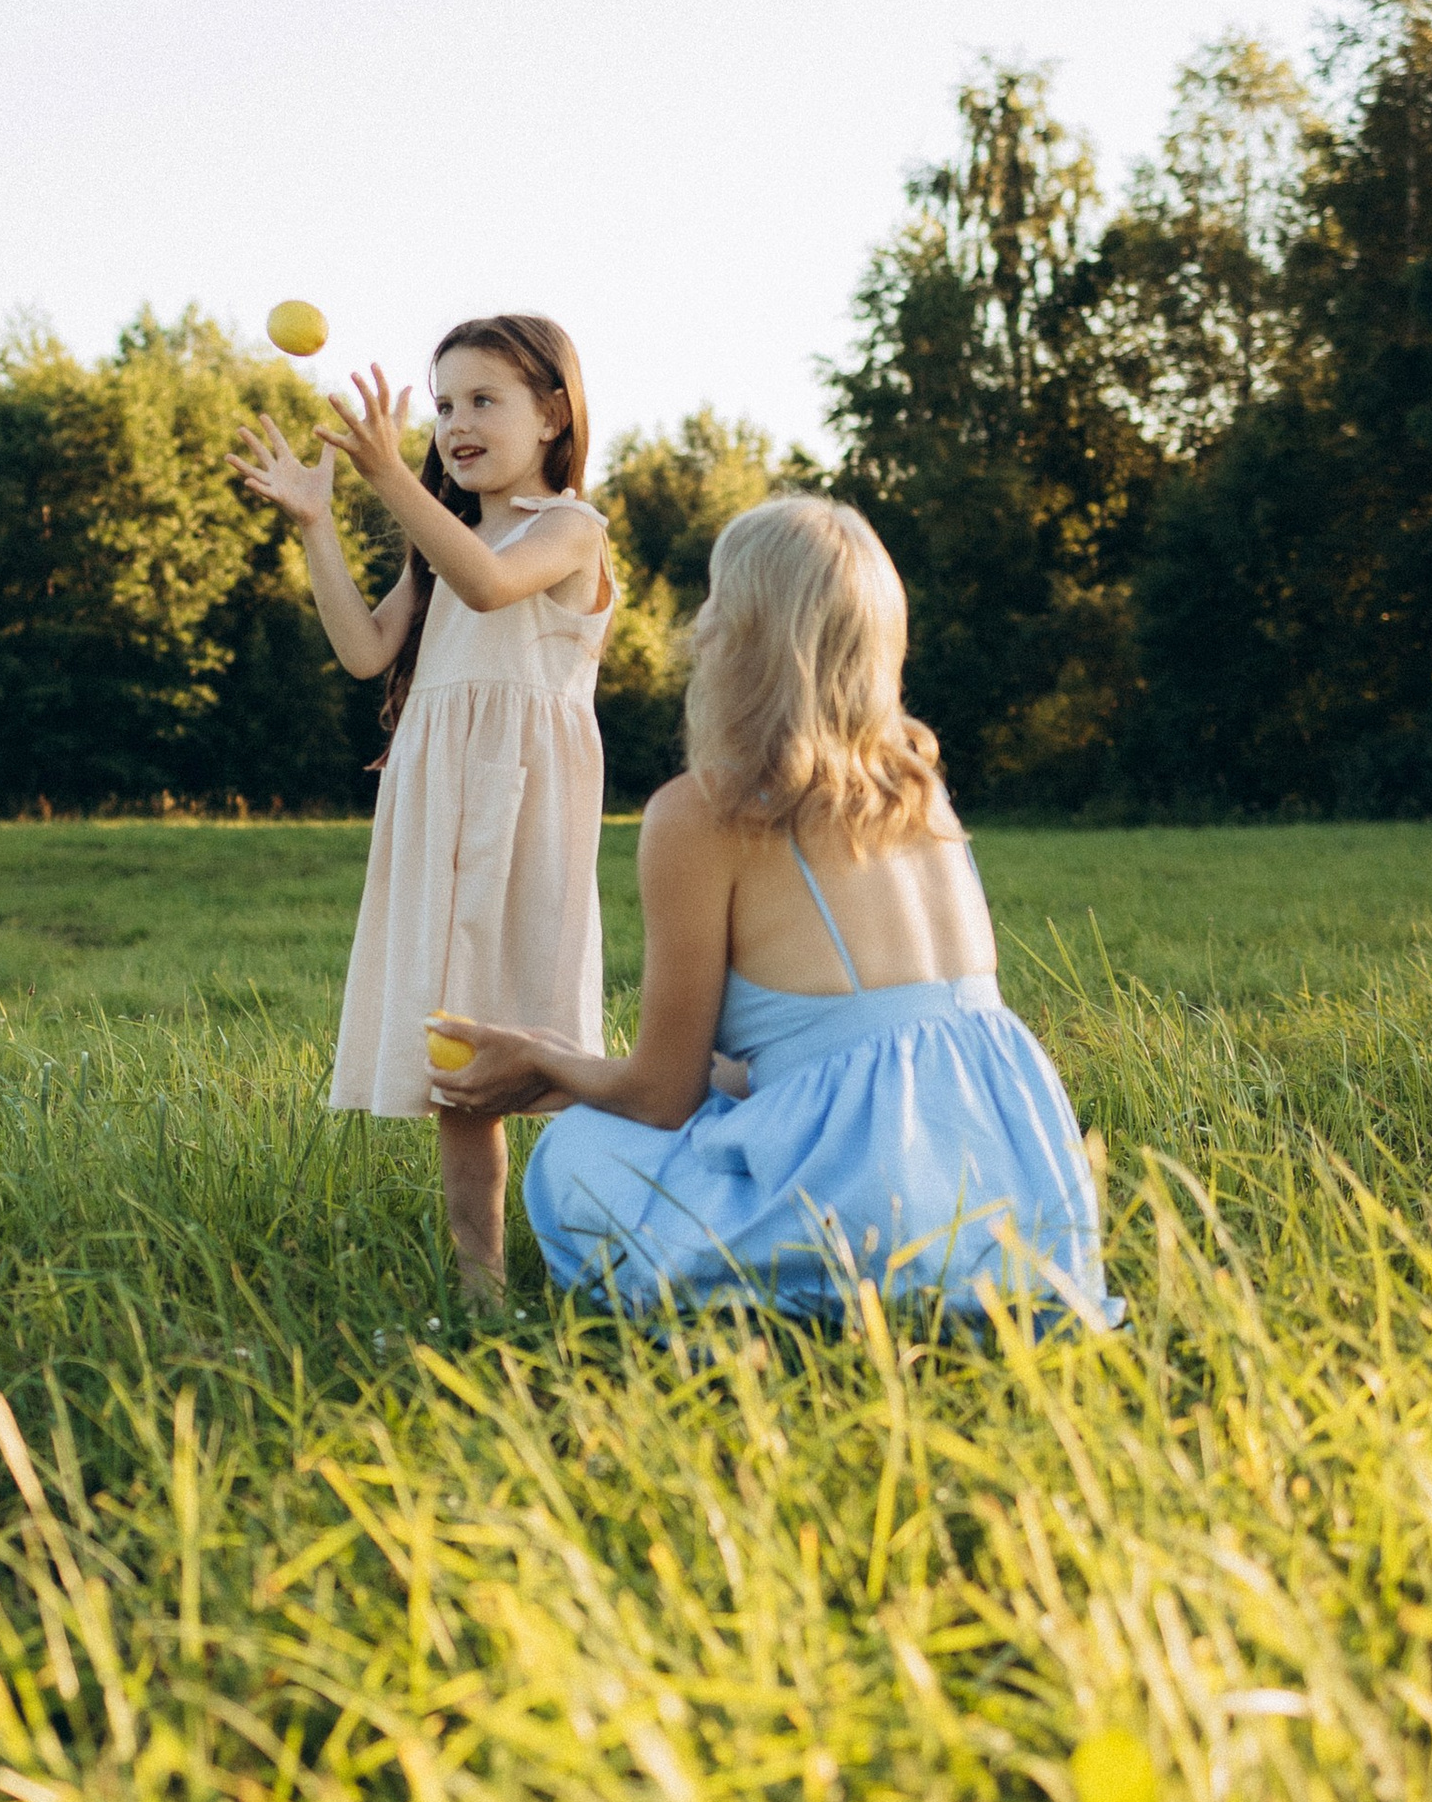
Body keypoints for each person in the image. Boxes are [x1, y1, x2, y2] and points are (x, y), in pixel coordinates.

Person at [431, 495, 1116, 1330]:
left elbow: (661, 1098)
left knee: (576, 1154)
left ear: (744, 632)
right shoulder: (919, 791)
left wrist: (544, 1059)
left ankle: (797, 1312)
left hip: (875, 1216)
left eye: (716, 597)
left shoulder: (704, 814)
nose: (700, 622)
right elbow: (828, 1048)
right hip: (1021, 1220)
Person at [233, 314, 615, 1304]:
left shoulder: (569, 528)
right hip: (440, 807)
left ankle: (619, 1237)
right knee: (461, 1060)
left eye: (484, 400)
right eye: (444, 405)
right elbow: (365, 652)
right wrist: (317, 525)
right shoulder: (438, 547)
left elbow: (490, 586)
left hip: (522, 812)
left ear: (553, 414)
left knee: (543, 1032)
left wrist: (390, 477)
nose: (456, 424)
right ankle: (480, 1289)